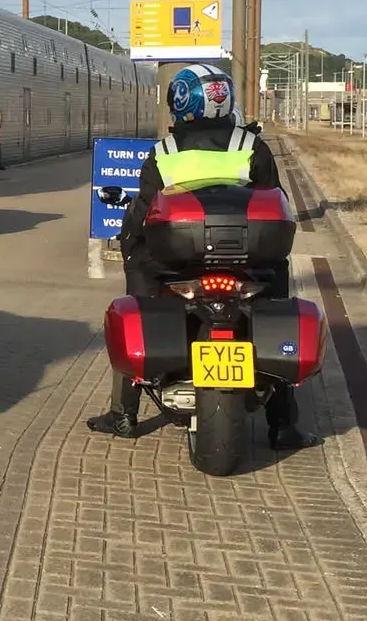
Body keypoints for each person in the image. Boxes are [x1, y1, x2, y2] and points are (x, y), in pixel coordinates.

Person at [100, 64, 300, 445]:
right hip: (247, 262)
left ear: (180, 102)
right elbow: (276, 201)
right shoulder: (251, 146)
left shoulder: (165, 151)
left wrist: (130, 247)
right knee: (273, 309)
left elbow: (142, 211)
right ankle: (284, 423)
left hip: (175, 263)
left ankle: (123, 413)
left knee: (138, 308)